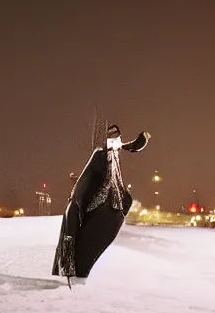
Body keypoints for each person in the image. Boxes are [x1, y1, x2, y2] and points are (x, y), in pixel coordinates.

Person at [52, 123, 151, 288]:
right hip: (92, 206)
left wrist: (141, 140)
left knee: (89, 238)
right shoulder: (100, 155)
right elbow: (85, 183)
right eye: (112, 138)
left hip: (107, 207)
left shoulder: (112, 155)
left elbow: (132, 146)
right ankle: (74, 273)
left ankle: (77, 273)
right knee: (79, 238)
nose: (115, 142)